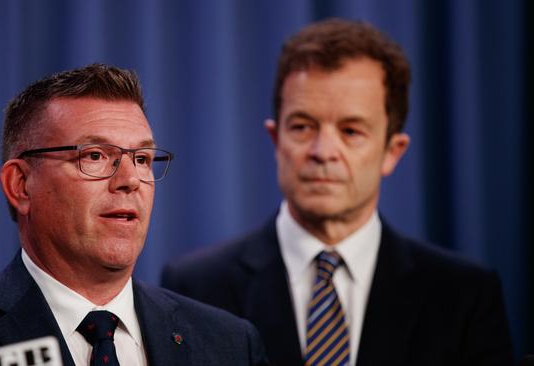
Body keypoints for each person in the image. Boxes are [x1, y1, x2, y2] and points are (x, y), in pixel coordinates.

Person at [161, 19, 513, 366]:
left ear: (393, 151)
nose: (323, 151)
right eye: (302, 126)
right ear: (276, 139)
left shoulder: (464, 295)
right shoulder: (195, 286)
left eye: (351, 131)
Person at [0, 64, 269, 366]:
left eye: (141, 158)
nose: (130, 180)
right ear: (20, 184)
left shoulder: (230, 343)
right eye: (95, 156)